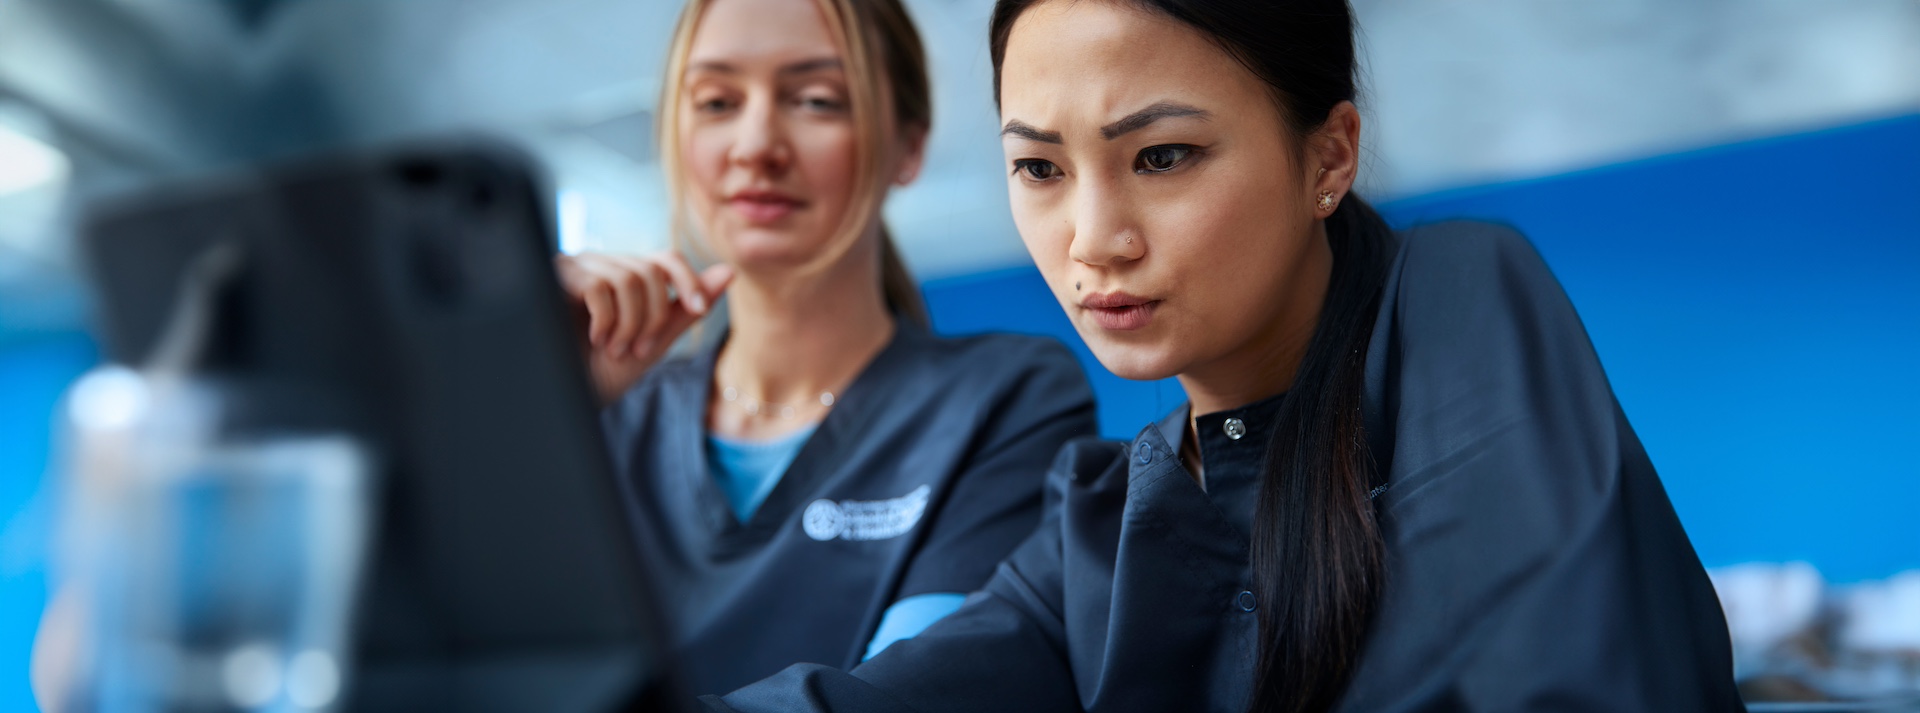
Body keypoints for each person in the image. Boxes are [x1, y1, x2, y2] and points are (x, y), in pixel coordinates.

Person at [703, 0, 1746, 710]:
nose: (1093, 236)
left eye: (1162, 156)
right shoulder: (1103, 521)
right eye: (1039, 167)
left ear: (1329, 155)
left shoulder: (1457, 299)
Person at [553, 0, 1099, 696]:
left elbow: (908, 694)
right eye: (717, 102)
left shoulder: (1005, 397)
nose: (755, 146)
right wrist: (540, 412)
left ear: (908, 145)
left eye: (815, 100)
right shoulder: (607, 417)